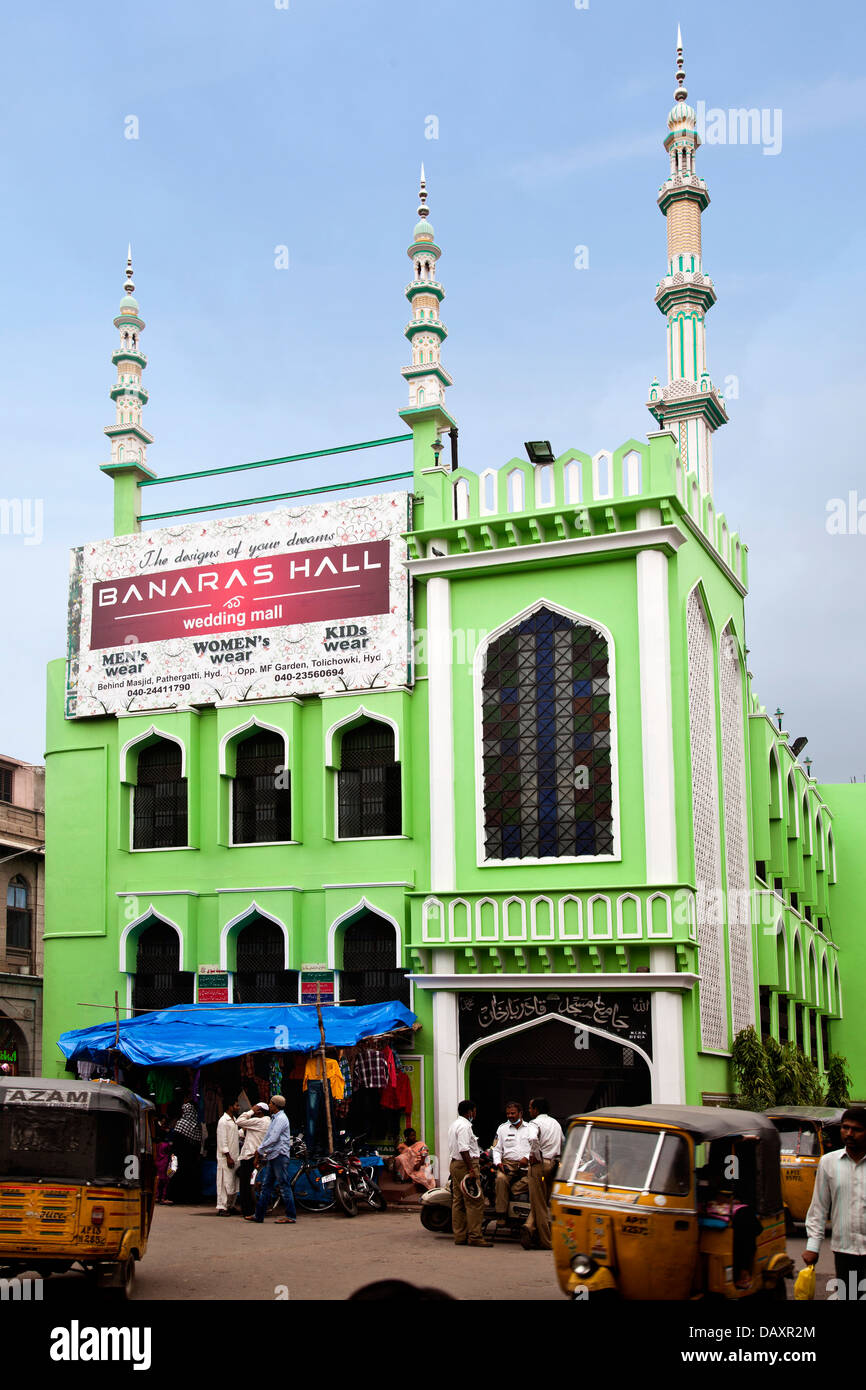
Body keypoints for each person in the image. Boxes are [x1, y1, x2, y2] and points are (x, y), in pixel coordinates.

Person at [803, 1106, 866, 1295]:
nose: (849, 1133)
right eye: (845, 1128)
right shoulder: (828, 1163)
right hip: (845, 1252)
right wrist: (813, 1246)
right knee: (849, 1296)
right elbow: (819, 1207)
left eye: (857, 1129)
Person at [447, 1100, 491, 1248]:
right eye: (474, 1110)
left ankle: (460, 1236)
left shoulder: (455, 1125)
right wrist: (471, 1169)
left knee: (458, 1200)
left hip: (455, 1164)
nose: (475, 1113)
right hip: (465, 1165)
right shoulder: (465, 1126)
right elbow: (464, 1149)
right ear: (470, 1112)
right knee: (475, 1201)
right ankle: (475, 1236)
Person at [522, 1097, 564, 1250]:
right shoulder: (556, 1124)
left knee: (538, 1203)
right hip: (552, 1164)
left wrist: (535, 1155)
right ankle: (529, 1226)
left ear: (536, 1110)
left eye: (530, 1108)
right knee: (544, 1201)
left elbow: (533, 1138)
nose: (529, 1110)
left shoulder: (535, 1123)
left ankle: (546, 1241)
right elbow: (563, 1141)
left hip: (539, 1165)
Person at [249, 1095, 297, 1225]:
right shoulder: (275, 1118)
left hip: (279, 1155)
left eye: (270, 1103)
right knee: (266, 1186)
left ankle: (291, 1215)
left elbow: (273, 1138)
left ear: (275, 1105)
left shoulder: (281, 1119)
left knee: (283, 1185)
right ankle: (259, 1215)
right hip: (273, 1155)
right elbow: (268, 1137)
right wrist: (261, 1149)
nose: (269, 1105)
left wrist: (260, 1150)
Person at [491, 1100, 538, 1223]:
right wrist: (498, 1163)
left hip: (527, 1164)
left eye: (513, 1113)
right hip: (508, 1164)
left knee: (536, 1179)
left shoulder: (531, 1128)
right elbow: (496, 1149)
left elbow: (536, 1146)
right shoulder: (502, 1129)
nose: (510, 1116)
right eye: (508, 1114)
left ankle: (513, 1191)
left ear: (520, 1113)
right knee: (500, 1179)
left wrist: (527, 1157)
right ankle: (501, 1215)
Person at [236, 1101, 271, 1219]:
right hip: (256, 1155)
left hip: (250, 1155)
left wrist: (251, 1111)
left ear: (259, 1111)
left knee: (245, 1184)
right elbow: (241, 1132)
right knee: (248, 1183)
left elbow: (239, 1121)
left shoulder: (260, 1121)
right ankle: (251, 1209)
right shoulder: (267, 1122)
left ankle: (248, 1210)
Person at [170, 1095, 203, 1204]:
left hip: (180, 1158)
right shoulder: (197, 1126)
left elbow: (175, 1143)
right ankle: (189, 1198)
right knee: (190, 1176)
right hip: (191, 1160)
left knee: (178, 1175)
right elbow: (198, 1144)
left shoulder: (181, 1123)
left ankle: (176, 1197)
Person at [216, 1099, 240, 1216]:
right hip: (226, 1158)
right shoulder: (223, 1121)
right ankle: (222, 1207)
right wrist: (228, 1156)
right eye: (236, 1105)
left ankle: (231, 1205)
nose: (238, 1107)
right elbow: (222, 1140)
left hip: (235, 1156)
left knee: (233, 1182)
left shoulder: (234, 1120)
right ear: (230, 1107)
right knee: (224, 1183)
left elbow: (234, 1135)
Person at [394, 1128, 435, 1192]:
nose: (414, 1137)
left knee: (423, 1173)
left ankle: (424, 1186)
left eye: (414, 1135)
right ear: (406, 1137)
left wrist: (419, 1164)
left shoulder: (421, 1144)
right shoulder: (402, 1146)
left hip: (421, 1162)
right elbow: (400, 1156)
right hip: (409, 1166)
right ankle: (405, 1178)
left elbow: (424, 1154)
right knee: (400, 1158)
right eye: (412, 1136)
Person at [154, 1117, 173, 1205]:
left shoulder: (156, 1145)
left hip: (158, 1164)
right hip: (164, 1164)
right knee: (165, 1183)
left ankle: (157, 1197)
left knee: (158, 1182)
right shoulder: (166, 1145)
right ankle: (163, 1198)